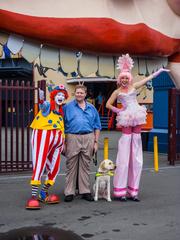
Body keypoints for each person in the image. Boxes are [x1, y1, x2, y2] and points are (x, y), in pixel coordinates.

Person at [106, 54, 169, 202]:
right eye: (122, 78)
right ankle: (120, 191)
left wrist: (160, 71)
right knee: (124, 154)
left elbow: (148, 79)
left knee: (136, 154)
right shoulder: (117, 92)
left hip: (137, 117)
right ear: (119, 79)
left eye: (126, 78)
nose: (124, 80)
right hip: (127, 118)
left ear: (130, 78)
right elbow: (109, 104)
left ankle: (133, 191)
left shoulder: (134, 86)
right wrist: (120, 111)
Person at [26, 83, 69, 209]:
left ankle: (43, 192)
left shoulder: (60, 111)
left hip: (57, 140)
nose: (60, 97)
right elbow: (42, 105)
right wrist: (41, 99)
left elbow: (61, 127)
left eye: (62, 95)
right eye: (58, 95)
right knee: (39, 163)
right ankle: (33, 196)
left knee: (55, 167)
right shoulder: (48, 106)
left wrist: (63, 142)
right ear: (54, 96)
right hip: (43, 135)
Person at [63, 84, 101, 202]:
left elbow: (97, 126)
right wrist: (63, 142)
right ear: (75, 94)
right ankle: (69, 192)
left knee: (85, 165)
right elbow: (61, 125)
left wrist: (95, 142)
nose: (79, 94)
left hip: (88, 137)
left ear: (85, 94)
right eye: (77, 92)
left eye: (81, 93)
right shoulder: (67, 107)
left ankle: (85, 191)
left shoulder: (92, 108)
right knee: (71, 165)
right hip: (72, 137)